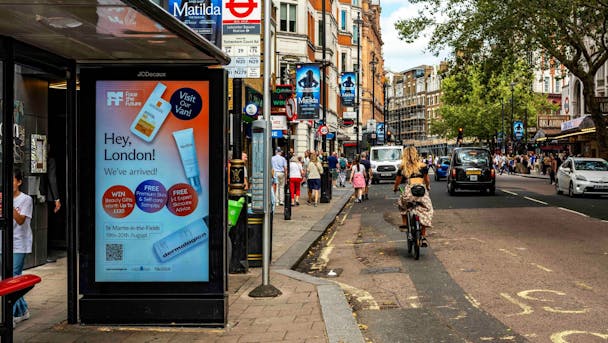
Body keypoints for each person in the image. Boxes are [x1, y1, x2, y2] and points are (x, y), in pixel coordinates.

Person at [393, 146, 433, 246]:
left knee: (401, 203)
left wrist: (395, 188)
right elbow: (427, 180)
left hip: (409, 192)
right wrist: (427, 187)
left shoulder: (403, 167)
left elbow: (397, 182)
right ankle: (423, 236)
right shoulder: (422, 166)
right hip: (421, 192)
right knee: (427, 209)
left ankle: (405, 224)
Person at [12, 168, 34, 326]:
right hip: (3, 242)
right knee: (7, 279)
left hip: (20, 242)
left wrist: (8, 204)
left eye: (12, 180)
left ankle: (10, 314)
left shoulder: (26, 200)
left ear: (19, 182)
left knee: (13, 276)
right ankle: (23, 309)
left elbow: (20, 220)